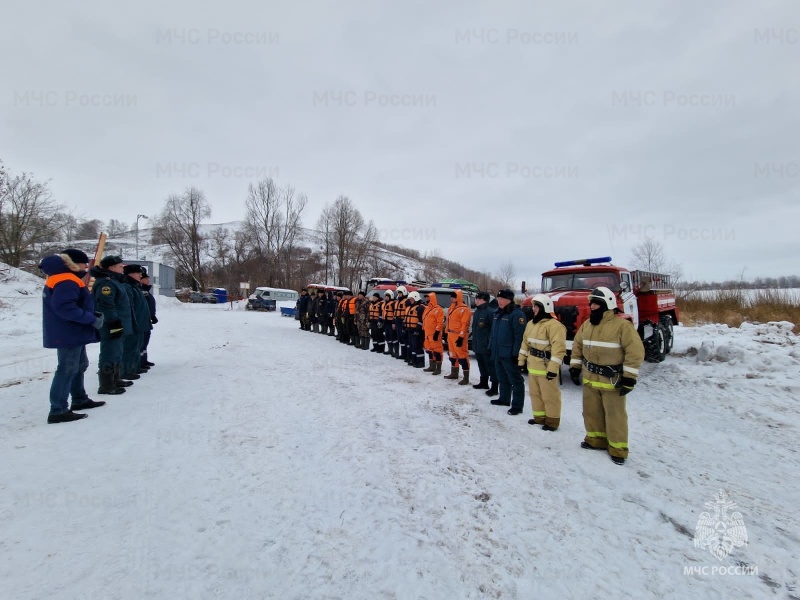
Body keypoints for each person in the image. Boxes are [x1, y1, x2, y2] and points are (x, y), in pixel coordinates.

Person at [570, 287, 645, 465]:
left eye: (596, 303)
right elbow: (577, 346)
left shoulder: (622, 326)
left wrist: (629, 377)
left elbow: (635, 352)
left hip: (612, 381)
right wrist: (575, 366)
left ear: (607, 305)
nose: (592, 306)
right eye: (591, 303)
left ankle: (618, 449)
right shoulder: (587, 325)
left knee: (615, 416)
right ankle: (595, 440)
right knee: (591, 413)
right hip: (590, 380)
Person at [40, 249, 105, 423]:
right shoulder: (66, 280)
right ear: (74, 264)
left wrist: (90, 314)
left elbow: (70, 305)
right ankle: (58, 409)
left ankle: (79, 398)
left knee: (80, 365)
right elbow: (65, 308)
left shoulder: (62, 278)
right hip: (68, 332)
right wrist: (90, 318)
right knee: (67, 368)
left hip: (72, 330)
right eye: (84, 263)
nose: (86, 266)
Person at [518, 294, 567, 430]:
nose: (533, 309)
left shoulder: (555, 326)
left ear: (545, 308)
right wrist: (521, 361)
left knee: (550, 396)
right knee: (535, 394)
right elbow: (525, 344)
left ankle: (552, 421)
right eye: (533, 306)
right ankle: (539, 417)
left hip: (546, 368)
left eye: (536, 307)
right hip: (533, 366)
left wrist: (553, 368)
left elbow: (559, 350)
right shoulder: (530, 324)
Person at [90, 255, 133, 394]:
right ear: (112, 268)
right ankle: (106, 384)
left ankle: (115, 378)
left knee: (117, 350)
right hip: (111, 323)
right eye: (120, 266)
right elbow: (106, 305)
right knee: (109, 350)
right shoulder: (106, 283)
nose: (123, 268)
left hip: (118, 322)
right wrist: (113, 321)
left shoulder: (115, 281)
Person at [489, 289, 526, 415]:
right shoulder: (497, 313)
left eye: (502, 299)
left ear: (509, 300)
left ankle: (517, 405)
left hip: (509, 353)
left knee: (515, 380)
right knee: (502, 376)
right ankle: (504, 399)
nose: (499, 301)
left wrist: (516, 354)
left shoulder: (516, 314)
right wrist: (491, 347)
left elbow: (519, 336)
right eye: (498, 299)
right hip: (498, 352)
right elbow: (493, 333)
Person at [121, 264, 152, 379]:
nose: (140, 275)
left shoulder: (135, 287)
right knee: (129, 348)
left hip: (140, 323)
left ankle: (134, 367)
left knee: (136, 347)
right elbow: (129, 307)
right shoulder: (127, 287)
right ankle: (125, 370)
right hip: (134, 324)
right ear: (131, 274)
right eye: (138, 273)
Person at [443, 289, 472, 385]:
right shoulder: (451, 308)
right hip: (450, 335)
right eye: (451, 297)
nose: (451, 298)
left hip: (458, 335)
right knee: (452, 355)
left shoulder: (464, 309)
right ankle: (454, 373)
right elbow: (449, 321)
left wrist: (461, 336)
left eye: (453, 296)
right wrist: (446, 331)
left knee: (462, 356)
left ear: (458, 297)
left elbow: (465, 324)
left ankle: (466, 377)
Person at [471, 291, 496, 392]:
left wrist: (490, 344)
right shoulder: (477, 311)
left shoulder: (490, 312)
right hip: (478, 344)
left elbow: (493, 330)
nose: (476, 301)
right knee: (481, 365)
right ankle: (484, 382)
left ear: (482, 300)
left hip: (486, 345)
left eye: (477, 299)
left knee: (491, 367)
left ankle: (494, 387)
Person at [422, 292, 444, 375]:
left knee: (437, 351)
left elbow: (440, 322)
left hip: (434, 334)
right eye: (426, 298)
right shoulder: (427, 309)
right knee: (429, 350)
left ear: (432, 299)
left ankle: (438, 369)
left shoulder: (438, 309)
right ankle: (432, 366)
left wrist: (437, 332)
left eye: (428, 298)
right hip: (427, 334)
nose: (426, 299)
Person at [139, 268, 157, 368]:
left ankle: (143, 359)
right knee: (141, 342)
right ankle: (139, 362)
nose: (148, 280)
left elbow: (149, 304)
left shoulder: (145, 290)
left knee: (145, 341)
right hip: (141, 320)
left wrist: (152, 315)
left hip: (146, 319)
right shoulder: (139, 290)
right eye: (145, 278)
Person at [403, 291, 425, 367]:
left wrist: (417, 330)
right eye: (410, 299)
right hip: (409, 329)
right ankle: (414, 360)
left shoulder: (420, 308)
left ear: (416, 298)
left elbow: (420, 320)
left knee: (417, 346)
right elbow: (406, 318)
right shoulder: (409, 307)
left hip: (416, 330)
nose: (410, 300)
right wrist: (404, 327)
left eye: (411, 299)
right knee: (412, 346)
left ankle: (420, 362)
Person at [393, 286, 408, 361]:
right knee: (400, 338)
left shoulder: (406, 301)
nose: (399, 295)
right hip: (397, 321)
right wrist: (394, 322)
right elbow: (395, 313)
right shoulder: (397, 302)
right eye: (398, 293)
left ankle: (405, 354)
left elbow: (407, 312)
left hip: (403, 321)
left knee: (404, 338)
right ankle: (402, 354)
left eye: (400, 293)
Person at [382, 290, 397, 356]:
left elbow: (395, 314)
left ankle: (395, 351)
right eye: (386, 297)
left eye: (388, 297)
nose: (386, 298)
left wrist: (394, 322)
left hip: (391, 322)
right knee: (387, 336)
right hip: (386, 322)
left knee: (393, 337)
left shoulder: (393, 304)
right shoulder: (384, 304)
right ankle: (390, 349)